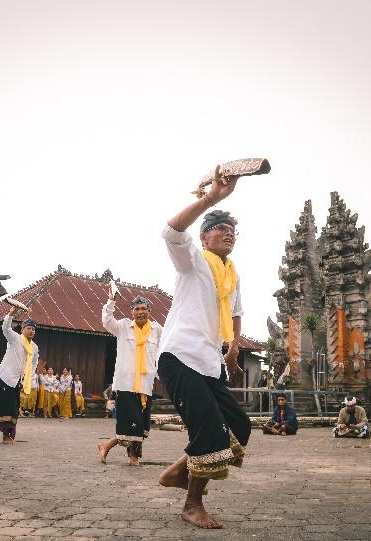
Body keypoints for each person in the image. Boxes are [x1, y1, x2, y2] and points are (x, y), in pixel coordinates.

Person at [155, 168, 251, 529]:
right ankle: (191, 505)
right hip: (179, 357)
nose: (228, 233)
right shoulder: (193, 261)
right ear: (204, 237)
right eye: (219, 228)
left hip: (211, 363)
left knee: (239, 427)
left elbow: (237, 313)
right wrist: (210, 199)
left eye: (233, 230)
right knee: (210, 431)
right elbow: (171, 231)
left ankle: (178, 471)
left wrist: (233, 348)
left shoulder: (231, 274)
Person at [97, 294, 163, 465]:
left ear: (149, 311)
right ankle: (134, 458)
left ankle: (107, 445)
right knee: (133, 422)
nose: (140, 312)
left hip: (146, 383)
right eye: (136, 309)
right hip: (126, 383)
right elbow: (106, 321)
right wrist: (111, 300)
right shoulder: (123, 326)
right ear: (131, 312)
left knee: (141, 424)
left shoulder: (157, 330)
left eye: (143, 309)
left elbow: (166, 349)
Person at [0, 310, 38, 443]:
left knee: (13, 409)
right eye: (29, 328)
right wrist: (10, 314)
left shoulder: (34, 347)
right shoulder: (15, 338)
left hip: (17, 381)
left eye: (33, 329)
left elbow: (33, 365)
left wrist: (26, 380)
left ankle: (7, 436)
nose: (31, 331)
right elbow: (5, 328)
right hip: (5, 377)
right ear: (23, 329)